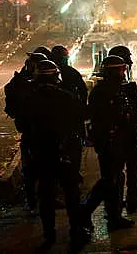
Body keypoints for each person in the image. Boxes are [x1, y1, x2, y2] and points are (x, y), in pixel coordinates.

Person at [24, 59, 90, 249]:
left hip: (42, 153)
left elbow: (22, 125)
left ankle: (48, 235)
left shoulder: (30, 99)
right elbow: (81, 117)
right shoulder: (67, 97)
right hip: (65, 152)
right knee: (71, 193)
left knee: (46, 195)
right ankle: (76, 231)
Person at [82, 55, 135, 231]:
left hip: (117, 140)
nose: (123, 73)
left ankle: (115, 216)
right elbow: (104, 118)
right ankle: (86, 210)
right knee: (109, 180)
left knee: (116, 178)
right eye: (120, 70)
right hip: (109, 141)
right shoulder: (103, 92)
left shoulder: (115, 89)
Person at [4, 51, 48, 211]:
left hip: (35, 132)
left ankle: (35, 200)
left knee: (34, 169)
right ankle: (34, 200)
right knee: (35, 169)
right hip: (33, 131)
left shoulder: (25, 82)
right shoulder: (25, 85)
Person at [108, 45, 137, 214]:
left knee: (132, 168)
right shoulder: (108, 90)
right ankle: (115, 209)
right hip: (117, 137)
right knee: (115, 175)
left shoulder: (125, 85)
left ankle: (131, 199)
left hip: (128, 134)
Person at [51, 45, 88, 182]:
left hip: (60, 119)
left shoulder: (58, 72)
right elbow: (83, 91)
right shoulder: (69, 73)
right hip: (68, 118)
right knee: (74, 145)